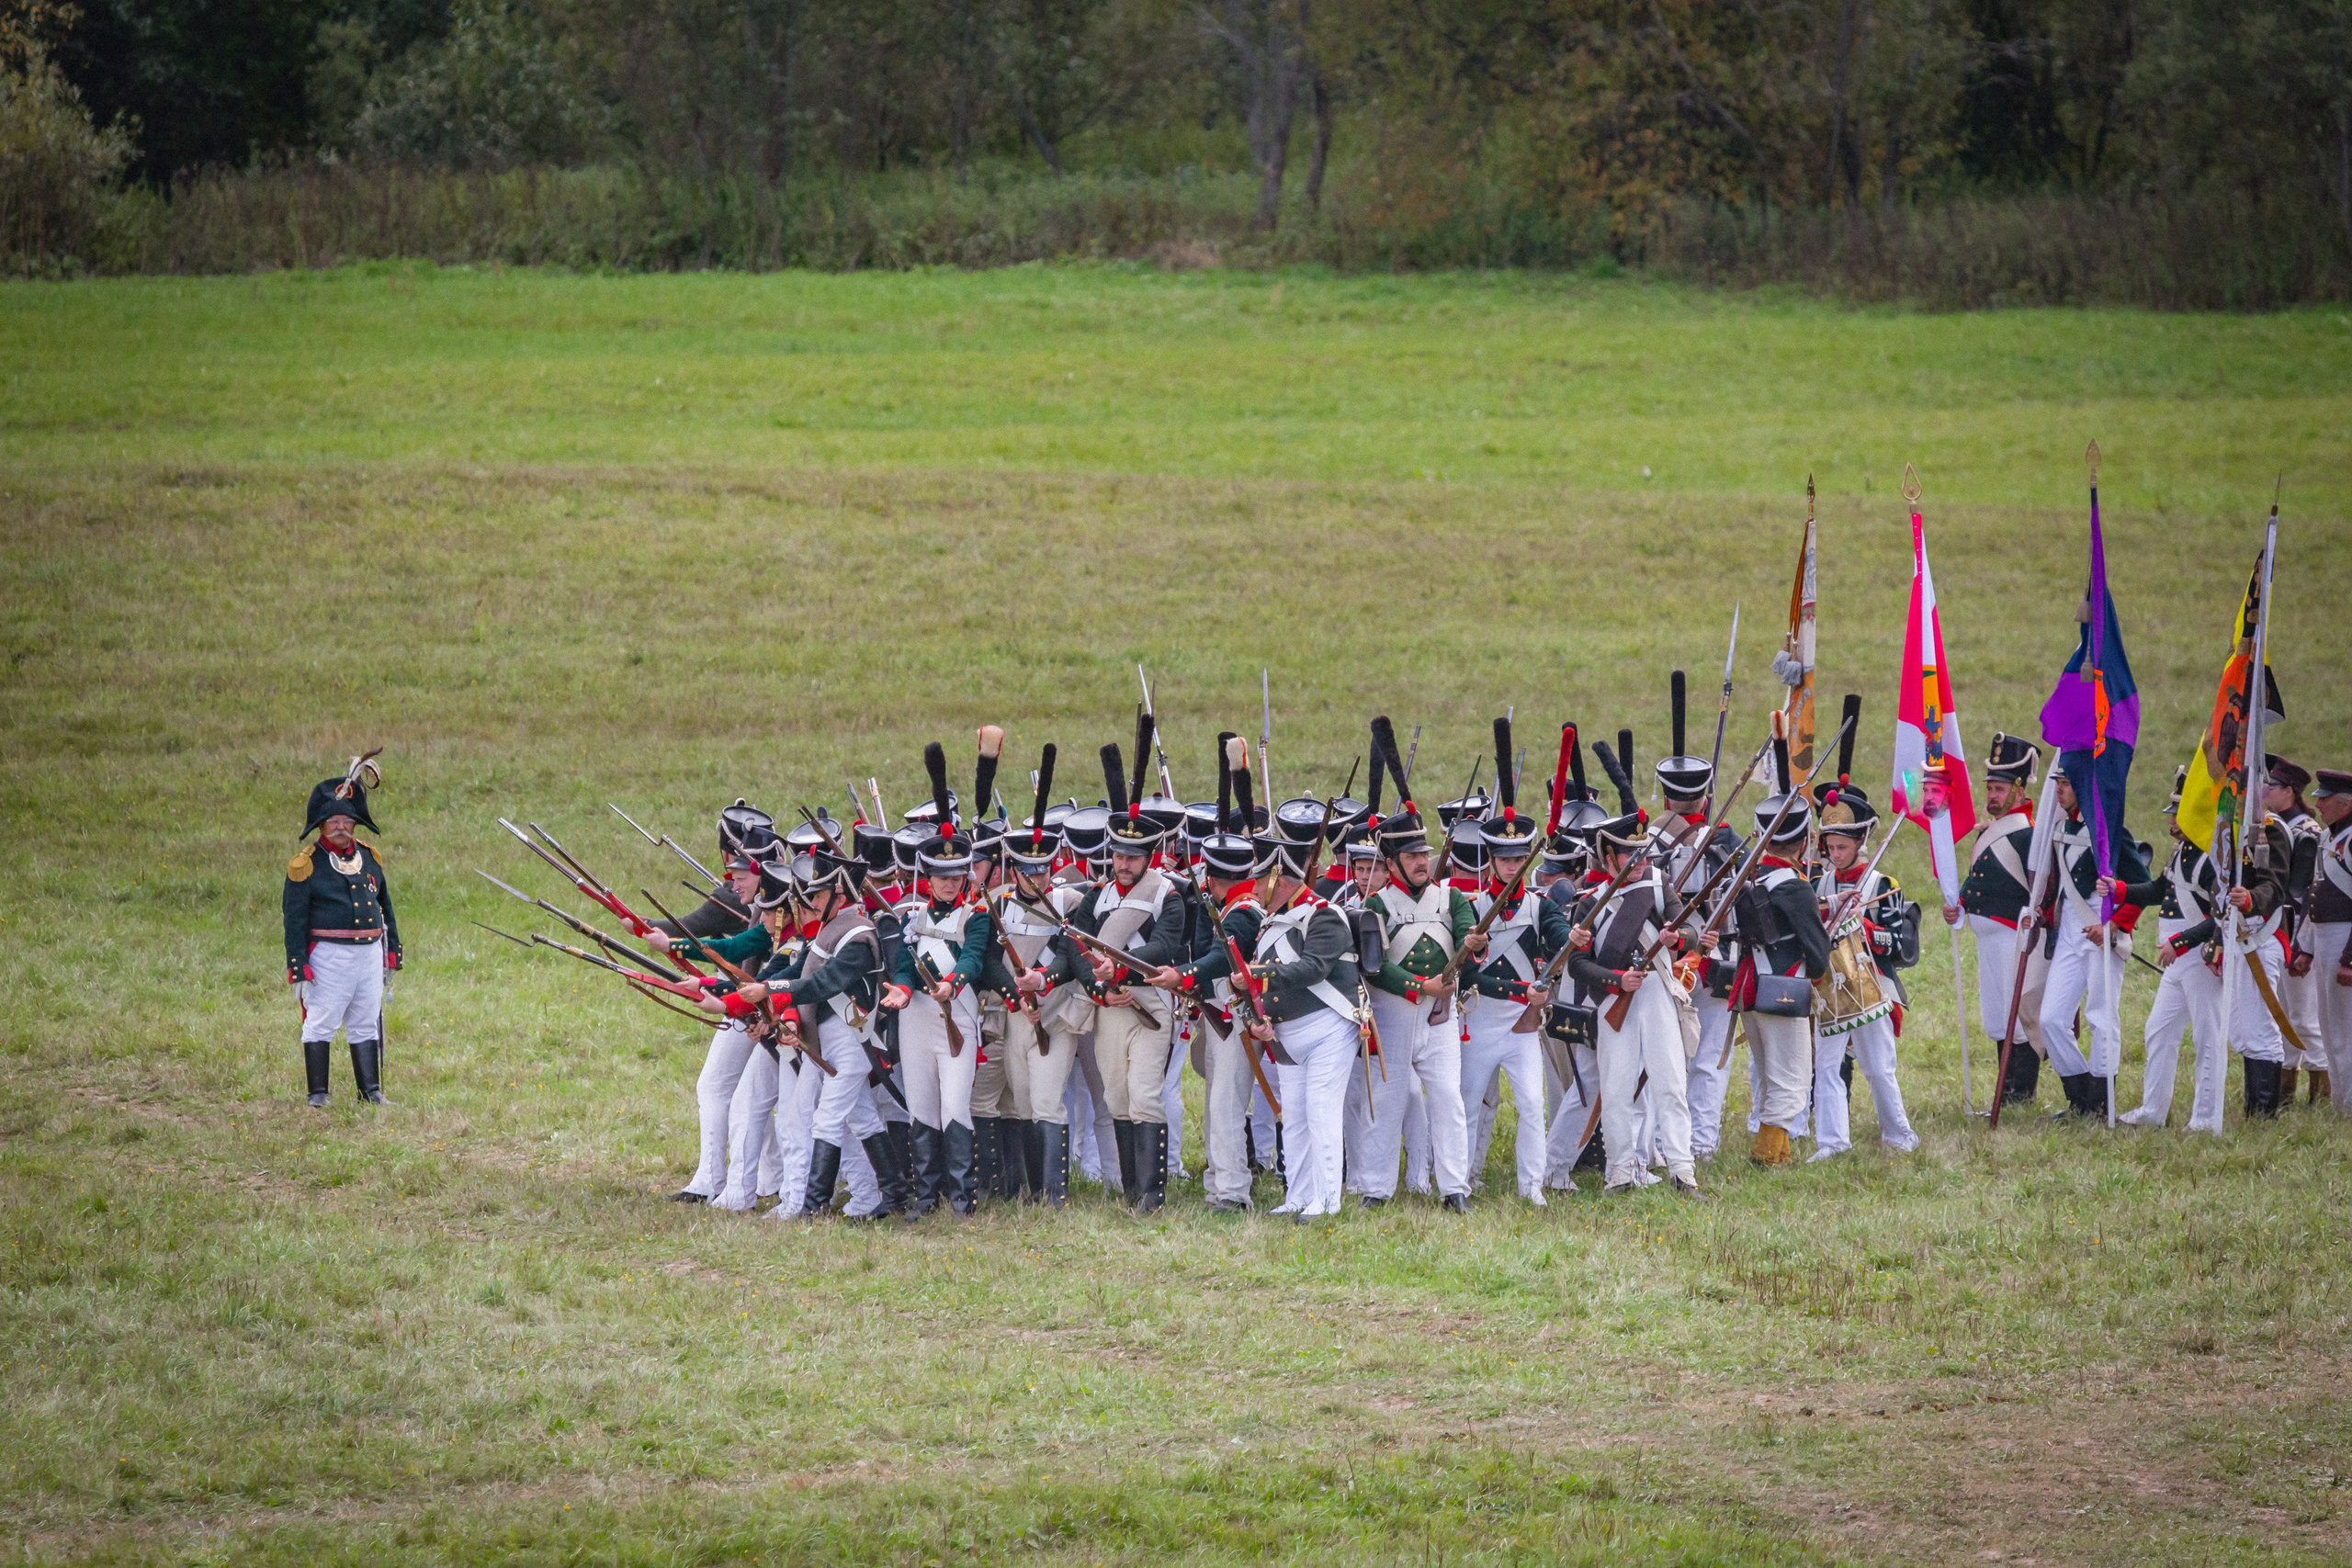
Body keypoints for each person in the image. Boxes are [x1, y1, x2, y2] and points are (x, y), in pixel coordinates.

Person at [1065, 720, 1188, 1214]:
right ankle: (1133, 1190)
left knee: (1144, 1097)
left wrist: (1122, 973)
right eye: (1118, 854)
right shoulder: (1094, 900)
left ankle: (1153, 1197)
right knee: (1116, 1098)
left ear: (1147, 859)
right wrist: (1098, 990)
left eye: (1132, 857)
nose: (1123, 864)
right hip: (1109, 1009)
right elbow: (1073, 947)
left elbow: (1164, 948)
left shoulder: (1166, 895)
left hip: (1151, 1003)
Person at [1351, 728, 1476, 1213]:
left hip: (1441, 1014)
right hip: (1397, 1010)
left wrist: (1471, 947)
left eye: (1424, 854)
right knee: (1387, 1100)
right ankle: (1377, 1188)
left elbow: (1467, 929)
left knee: (1448, 1099)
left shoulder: (1452, 896)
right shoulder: (1375, 906)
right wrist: (1420, 984)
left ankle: (1454, 1188)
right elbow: (1375, 966)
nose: (1422, 862)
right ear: (1392, 862)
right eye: (1412, 856)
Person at [1150, 737, 1271, 1213]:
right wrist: (1202, 907)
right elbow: (1205, 944)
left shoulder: (1245, 911)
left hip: (1236, 1017)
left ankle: (1233, 1191)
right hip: (1220, 1014)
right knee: (1219, 1104)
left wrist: (1183, 976)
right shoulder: (1222, 903)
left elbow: (1221, 957)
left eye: (1210, 878)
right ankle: (1220, 1183)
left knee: (1224, 1105)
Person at [1564, 807, 1710, 1196]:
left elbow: (1691, 931)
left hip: (1658, 996)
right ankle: (1620, 1173)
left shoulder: (1660, 886)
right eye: (1631, 854)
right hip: (1615, 1003)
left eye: (1643, 853)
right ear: (1609, 857)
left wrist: (1676, 940)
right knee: (1616, 1089)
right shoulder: (1590, 903)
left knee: (1671, 1086)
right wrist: (1617, 980)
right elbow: (1577, 964)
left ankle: (1684, 1172)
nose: (1641, 862)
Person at [1457, 716, 1570, 1203]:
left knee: (1530, 1106)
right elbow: (1466, 973)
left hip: (1523, 1021)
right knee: (1465, 1102)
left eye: (1516, 858)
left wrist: (1575, 935)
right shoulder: (1470, 908)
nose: (1508, 865)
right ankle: (1459, 1180)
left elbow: (1558, 934)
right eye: (1502, 858)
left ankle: (1532, 1189)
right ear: (1491, 859)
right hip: (1482, 1018)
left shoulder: (1538, 905)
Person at [888, 742, 995, 1216]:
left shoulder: (975, 914)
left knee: (955, 1105)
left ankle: (962, 1196)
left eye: (957, 875)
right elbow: (902, 963)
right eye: (942, 876)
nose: (950, 883)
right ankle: (926, 1196)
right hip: (915, 1017)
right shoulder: (911, 917)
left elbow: (973, 958)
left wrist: (953, 984)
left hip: (958, 1013)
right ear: (928, 876)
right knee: (921, 1108)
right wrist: (905, 987)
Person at [1243, 827, 1366, 1222]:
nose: (1255, 886)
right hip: (1286, 1036)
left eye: (1261, 879)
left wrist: (1257, 973)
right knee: (1293, 1119)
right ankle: (1298, 1195)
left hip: (1329, 1028)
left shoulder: (1324, 915)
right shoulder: (1268, 923)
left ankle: (1327, 1201)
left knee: (1321, 1112)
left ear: (1278, 878)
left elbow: (1314, 968)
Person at [654, 831, 776, 1202]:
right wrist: (708, 980)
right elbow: (734, 951)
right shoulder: (767, 904)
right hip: (755, 1006)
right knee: (753, 1097)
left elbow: (757, 967)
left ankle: (723, 1181)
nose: (732, 881)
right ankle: (771, 1179)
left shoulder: (778, 906)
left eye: (741, 875)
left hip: (770, 1010)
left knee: (728, 1090)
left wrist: (721, 996)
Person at [1649, 679, 1743, 1160]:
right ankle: (1699, 1145)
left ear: (1665, 799)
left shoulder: (1643, 844)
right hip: (1716, 962)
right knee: (1708, 1061)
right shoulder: (1727, 842)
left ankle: (1665, 1147)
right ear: (1705, 799)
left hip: (1664, 962)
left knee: (1667, 1060)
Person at [2109, 768, 2226, 1132]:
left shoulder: (2210, 859)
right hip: (2177, 957)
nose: (2172, 821)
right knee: (2158, 1030)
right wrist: (2120, 890)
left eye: (2178, 813)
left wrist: (2181, 942)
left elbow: (2224, 916)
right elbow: (2161, 889)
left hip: (2199, 954)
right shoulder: (2181, 852)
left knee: (2208, 1036)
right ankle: (2153, 1110)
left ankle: (2206, 1119)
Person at [1807, 783, 1920, 1156]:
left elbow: (1898, 944)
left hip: (1873, 983)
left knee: (1878, 1066)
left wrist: (1863, 925)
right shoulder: (1818, 885)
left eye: (1843, 847)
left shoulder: (1884, 885)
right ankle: (1832, 1142)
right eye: (1831, 847)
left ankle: (1899, 1134)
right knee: (1826, 1065)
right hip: (1831, 987)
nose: (1835, 855)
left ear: (1860, 843)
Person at [1731, 748, 1831, 1166]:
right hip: (1785, 989)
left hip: (1753, 986)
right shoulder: (1794, 885)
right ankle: (1766, 1155)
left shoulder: (1752, 875)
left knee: (1772, 1072)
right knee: (1792, 1079)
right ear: (1805, 839)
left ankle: (1782, 1150)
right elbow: (1818, 952)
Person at [284, 752, 401, 1106]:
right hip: (329, 956)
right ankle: (318, 1094)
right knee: (321, 1022)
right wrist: (298, 966)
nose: (340, 827)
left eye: (346, 820)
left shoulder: (370, 857)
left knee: (366, 1020)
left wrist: (391, 951)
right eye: (332, 820)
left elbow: (386, 908)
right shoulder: (305, 865)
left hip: (368, 953)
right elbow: (294, 921)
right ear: (320, 824)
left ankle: (371, 1092)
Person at [2034, 762, 2149, 1122]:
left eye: (2066, 784)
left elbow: (2142, 886)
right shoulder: (2058, 830)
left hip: (2102, 931)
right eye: (2059, 784)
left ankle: (2103, 1104)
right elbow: (2059, 884)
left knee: (2102, 1017)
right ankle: (2081, 1096)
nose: (2059, 791)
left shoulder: (2110, 831)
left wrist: (2114, 925)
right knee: (2051, 1019)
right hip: (2068, 931)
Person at [1951, 734, 2051, 1107]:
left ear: (2020, 790)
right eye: (1990, 788)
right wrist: (1959, 903)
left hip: (2014, 937)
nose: (1991, 796)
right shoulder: (1990, 831)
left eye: (1999, 788)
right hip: (1988, 938)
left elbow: (2044, 886)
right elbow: (1982, 880)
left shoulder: (2030, 835)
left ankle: (2020, 1092)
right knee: (1997, 1015)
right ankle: (2006, 1087)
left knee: (2019, 1013)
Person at [2265, 757, 2328, 1103]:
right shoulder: (2274, 824)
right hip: (2279, 932)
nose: (2264, 791)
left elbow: (2303, 896)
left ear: (2289, 792)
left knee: (2304, 1018)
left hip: (2297, 934)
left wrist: (2300, 945)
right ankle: (2285, 1087)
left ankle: (2321, 1090)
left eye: (2271, 787)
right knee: (2283, 1013)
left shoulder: (2306, 834)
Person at [2306, 770, 2352, 1113]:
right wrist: (2304, 948)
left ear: (2345, 803)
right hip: (2323, 935)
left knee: (2346, 1025)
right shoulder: (2328, 837)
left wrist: (2350, 958)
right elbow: (2315, 893)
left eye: (2324, 798)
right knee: (2329, 1024)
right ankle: (2340, 1102)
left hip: (2345, 936)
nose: (2317, 804)